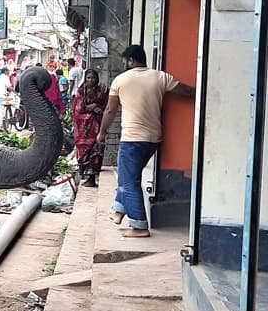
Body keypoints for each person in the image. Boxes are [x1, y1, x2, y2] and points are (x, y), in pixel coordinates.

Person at [97, 45, 195, 237]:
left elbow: (110, 110)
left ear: (131, 60)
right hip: (153, 140)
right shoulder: (160, 77)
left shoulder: (120, 80)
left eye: (125, 61)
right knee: (128, 176)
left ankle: (139, 225)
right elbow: (189, 92)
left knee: (129, 181)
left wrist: (102, 132)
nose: (124, 64)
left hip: (132, 139)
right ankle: (118, 210)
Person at [73, 69, 107, 187]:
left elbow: (108, 106)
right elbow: (78, 109)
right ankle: (87, 176)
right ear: (85, 79)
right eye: (88, 78)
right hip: (83, 127)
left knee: (96, 149)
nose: (91, 80)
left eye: (93, 78)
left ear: (96, 78)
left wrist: (97, 107)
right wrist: (92, 108)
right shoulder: (81, 91)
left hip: (97, 124)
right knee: (84, 150)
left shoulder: (103, 91)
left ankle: (92, 177)